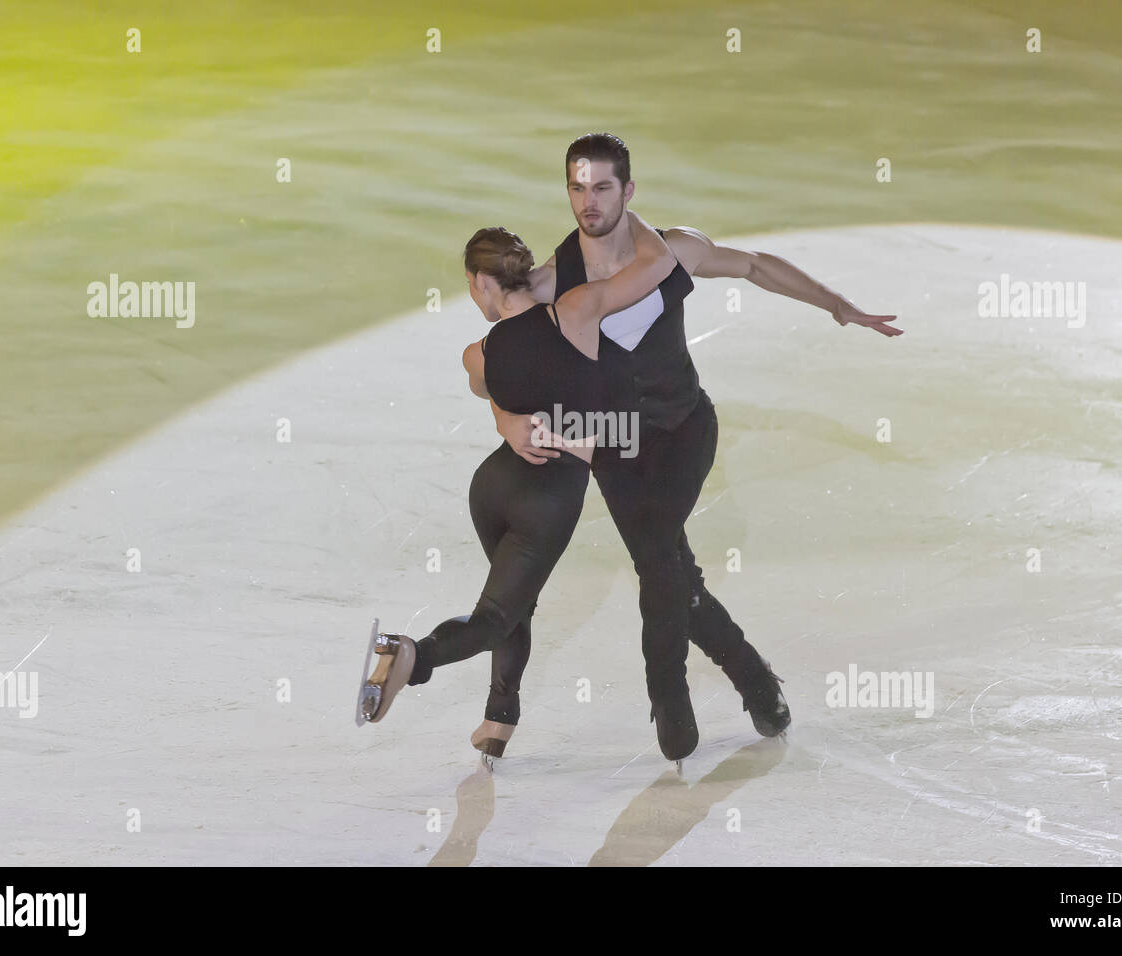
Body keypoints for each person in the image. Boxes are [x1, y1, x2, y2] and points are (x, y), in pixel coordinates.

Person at [493, 133, 903, 762]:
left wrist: (837, 305)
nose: (589, 201)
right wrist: (505, 420)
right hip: (617, 445)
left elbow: (756, 265)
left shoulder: (674, 250)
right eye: (577, 187)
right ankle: (756, 680)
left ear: (628, 190)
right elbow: (496, 363)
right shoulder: (554, 281)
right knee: (674, 575)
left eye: (602, 186)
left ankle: (668, 692)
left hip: (684, 429)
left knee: (658, 556)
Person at [359, 211, 676, 765]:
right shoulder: (576, 312)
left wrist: (507, 421)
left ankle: (499, 719)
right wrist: (624, 208)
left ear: (482, 283)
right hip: (548, 497)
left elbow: (497, 396)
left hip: (495, 485)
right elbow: (660, 263)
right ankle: (414, 654)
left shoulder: (476, 355)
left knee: (513, 604)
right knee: (498, 615)